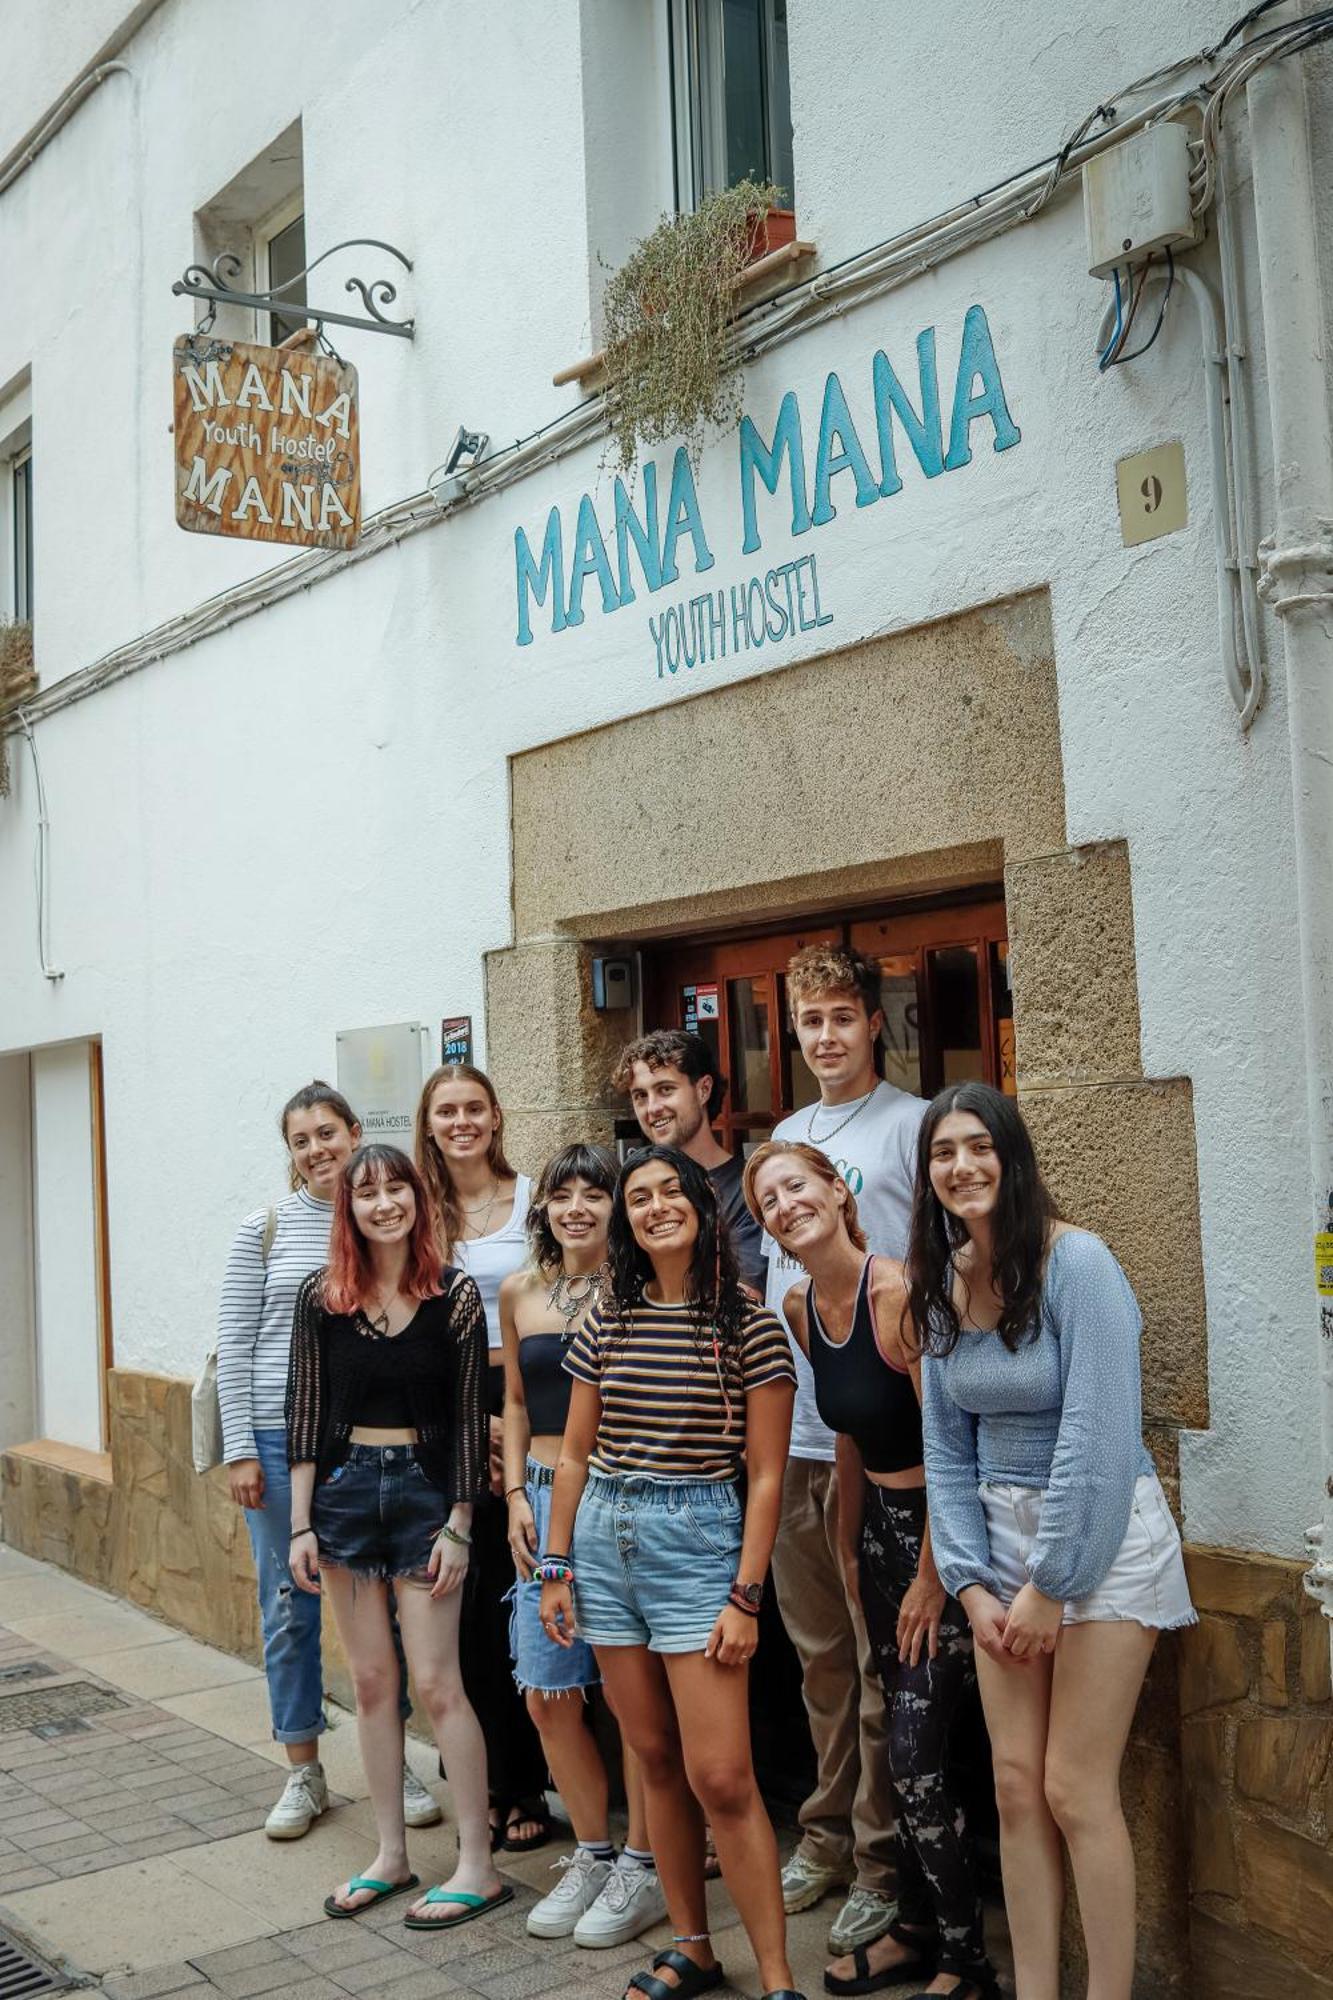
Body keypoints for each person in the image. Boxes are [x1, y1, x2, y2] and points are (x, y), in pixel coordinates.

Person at [911, 1084, 1196, 2000]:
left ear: (1012, 1154)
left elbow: (1100, 1435)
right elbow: (944, 1453)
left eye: (978, 1147)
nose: (962, 1167)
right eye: (943, 1153)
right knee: (1013, 1788)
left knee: (1074, 1788)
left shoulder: (1079, 1264)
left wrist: (1049, 1582)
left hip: (1101, 1534)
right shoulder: (941, 1283)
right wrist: (971, 1584)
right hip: (994, 1545)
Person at [540, 1145, 806, 2000]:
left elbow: (766, 1475)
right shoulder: (606, 1316)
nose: (655, 1206)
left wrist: (745, 1595)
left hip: (698, 1543)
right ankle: (693, 1948)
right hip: (605, 1541)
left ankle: (775, 1981)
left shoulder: (750, 1323)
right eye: (639, 1197)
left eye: (670, 1192)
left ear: (700, 1205)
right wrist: (555, 1565)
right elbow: (574, 1454)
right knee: (651, 1757)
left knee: (721, 1775)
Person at [747, 1142, 996, 2000]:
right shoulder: (799, 1304)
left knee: (920, 1759)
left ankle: (967, 1961)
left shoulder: (896, 1295)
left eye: (795, 1186)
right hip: (882, 1539)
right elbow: (850, 1436)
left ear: (835, 1191)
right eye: (767, 1199)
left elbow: (947, 1446)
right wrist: (851, 1552)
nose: (783, 1205)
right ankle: (922, 1931)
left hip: (945, 1537)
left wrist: (932, 1574)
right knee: (904, 1746)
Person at [287, 1142, 511, 1930]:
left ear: (418, 1198)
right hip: (345, 1498)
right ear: (347, 1208)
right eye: (367, 1193)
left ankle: (476, 1867)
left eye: (396, 1190)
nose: (384, 1203)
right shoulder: (323, 1297)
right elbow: (306, 1417)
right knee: (373, 1685)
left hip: (425, 1496)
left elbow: (463, 1419)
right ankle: (391, 1855)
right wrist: (300, 1525)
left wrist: (458, 1523)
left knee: (438, 1683)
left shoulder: (451, 1294)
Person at [216, 1081, 441, 1839]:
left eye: (326, 1133)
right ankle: (303, 1769)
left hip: (365, 1445)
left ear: (353, 1131)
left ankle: (394, 1758)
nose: (317, 1150)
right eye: (300, 1141)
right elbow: (239, 1344)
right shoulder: (269, 1229)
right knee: (289, 1607)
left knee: (386, 1616)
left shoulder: (383, 1218)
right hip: (281, 1446)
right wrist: (242, 1450)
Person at [759, 945, 925, 1956]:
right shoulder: (785, 1136)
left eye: (840, 1016)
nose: (824, 1035)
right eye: (807, 1019)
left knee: (878, 1667)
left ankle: (879, 1859)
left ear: (872, 1021)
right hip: (800, 1438)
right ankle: (820, 1834)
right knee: (820, 1660)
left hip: (880, 1442)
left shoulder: (910, 1125)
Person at [500, 1143, 666, 1948]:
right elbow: (515, 1406)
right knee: (545, 1689)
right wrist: (509, 1500)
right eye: (561, 1194)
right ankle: (593, 1855)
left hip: (615, 1498)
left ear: (614, 1208)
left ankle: (644, 1861)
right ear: (544, 1210)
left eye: (592, 1194)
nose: (576, 1208)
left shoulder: (640, 1291)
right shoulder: (519, 1293)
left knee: (632, 1696)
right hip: (537, 1498)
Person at [415, 1063, 551, 1852]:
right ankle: (497, 1782)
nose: (462, 1122)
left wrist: (515, 1426)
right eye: (446, 1112)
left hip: (529, 1398)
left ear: (496, 1117)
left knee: (524, 1592)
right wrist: (468, 1425)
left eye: (474, 1108)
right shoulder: (419, 1210)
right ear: (428, 1125)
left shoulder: (534, 1200)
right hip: (448, 1409)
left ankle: (539, 1774)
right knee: (466, 1608)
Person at [613, 1029, 766, 1291]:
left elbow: (746, 1294)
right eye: (640, 1096)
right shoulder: (630, 1189)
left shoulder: (748, 1188)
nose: (652, 1108)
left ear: (703, 1089)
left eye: (665, 1090)